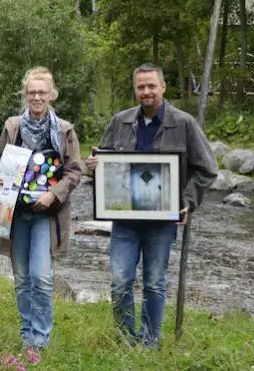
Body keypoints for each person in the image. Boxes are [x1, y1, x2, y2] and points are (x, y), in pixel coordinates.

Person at [86, 63, 218, 346]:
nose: (146, 92)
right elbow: (104, 162)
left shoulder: (183, 123)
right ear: (135, 90)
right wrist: (94, 167)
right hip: (124, 220)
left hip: (162, 221)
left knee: (154, 282)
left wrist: (186, 201)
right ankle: (124, 338)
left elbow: (207, 169)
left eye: (151, 86)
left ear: (163, 87)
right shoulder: (120, 121)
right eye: (140, 87)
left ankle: (149, 341)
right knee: (120, 281)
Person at [0, 67, 82, 350]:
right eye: (32, 92)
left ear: (51, 94)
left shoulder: (65, 130)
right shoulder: (12, 126)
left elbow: (75, 172)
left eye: (42, 92)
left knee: (41, 276)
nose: (37, 97)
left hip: (46, 216)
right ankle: (27, 334)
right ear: (25, 94)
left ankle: (40, 339)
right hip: (15, 214)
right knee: (21, 279)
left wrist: (53, 195)